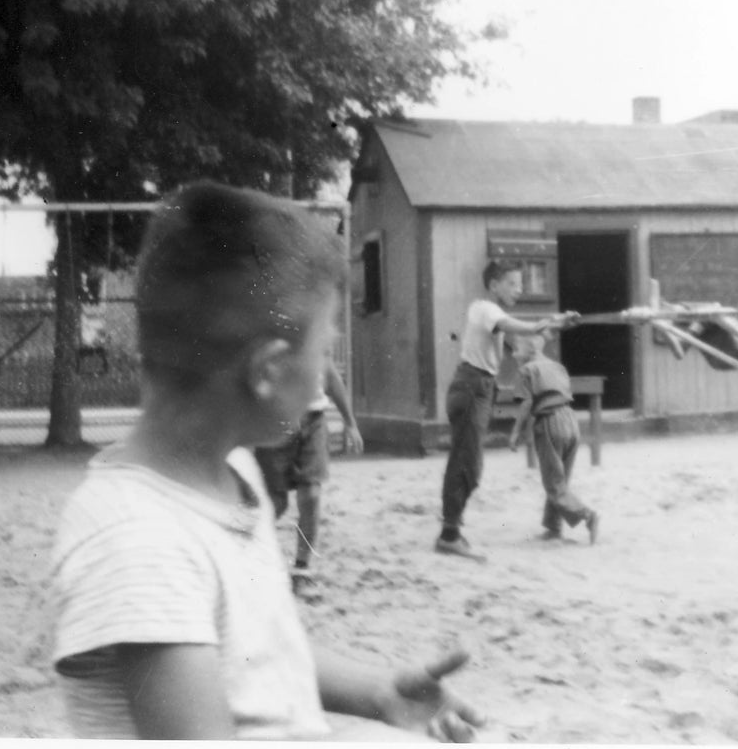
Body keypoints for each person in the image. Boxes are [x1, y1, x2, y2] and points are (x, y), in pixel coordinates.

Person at [49, 182, 484, 741]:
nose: (326, 368)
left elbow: (260, 648)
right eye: (324, 351)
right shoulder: (138, 543)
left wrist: (378, 692)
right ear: (268, 370)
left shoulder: (233, 474)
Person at [437, 260, 577, 561]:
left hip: (480, 389)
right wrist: (543, 322)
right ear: (494, 285)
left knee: (469, 463)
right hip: (471, 387)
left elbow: (529, 345)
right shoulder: (483, 309)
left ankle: (451, 530)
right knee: (466, 462)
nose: (519, 289)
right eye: (512, 283)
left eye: (520, 283)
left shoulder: (496, 316)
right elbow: (517, 326)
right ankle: (449, 535)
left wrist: (557, 324)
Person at [254, 353, 363, 594]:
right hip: (275, 422)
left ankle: (301, 569)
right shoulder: (268, 328)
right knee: (276, 503)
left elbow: (331, 376)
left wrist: (350, 422)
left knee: (311, 494)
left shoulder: (314, 328)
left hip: (313, 421)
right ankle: (248, 558)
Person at [506, 333, 600, 544]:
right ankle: (553, 527)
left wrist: (516, 432)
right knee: (561, 480)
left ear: (529, 351)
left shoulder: (526, 370)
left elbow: (526, 404)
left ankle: (587, 516)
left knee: (553, 483)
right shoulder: (558, 367)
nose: (513, 354)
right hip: (570, 420)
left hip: (549, 422)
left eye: (516, 349)